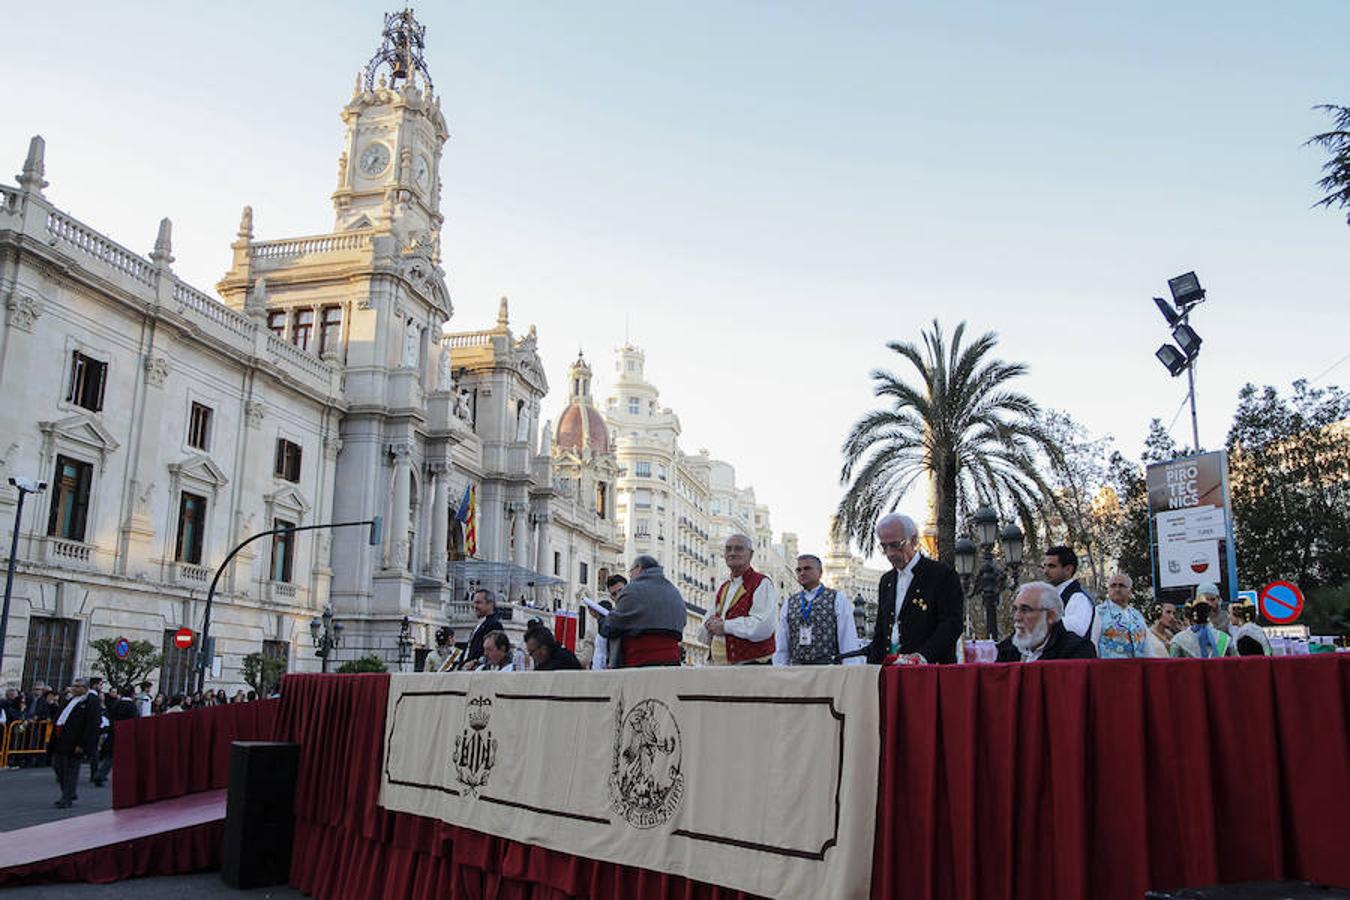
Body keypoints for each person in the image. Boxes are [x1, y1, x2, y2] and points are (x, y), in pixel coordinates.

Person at [865, 514, 964, 665]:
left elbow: (951, 624)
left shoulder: (942, 575)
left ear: (914, 540)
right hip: (891, 670)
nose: (890, 553)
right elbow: (881, 629)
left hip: (930, 670)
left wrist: (922, 657)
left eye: (896, 545)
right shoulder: (886, 581)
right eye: (884, 546)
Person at [773, 554, 864, 666]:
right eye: (798, 570)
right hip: (797, 672)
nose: (802, 573)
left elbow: (847, 640)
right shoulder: (789, 603)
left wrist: (849, 671)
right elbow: (782, 644)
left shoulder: (837, 599)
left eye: (807, 568)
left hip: (828, 672)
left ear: (820, 572)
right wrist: (780, 669)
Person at [703, 534, 778, 665]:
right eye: (728, 549)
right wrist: (709, 625)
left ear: (751, 554)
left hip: (750, 666)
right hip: (720, 666)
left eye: (738, 549)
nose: (732, 553)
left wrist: (726, 626)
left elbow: (763, 625)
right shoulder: (724, 587)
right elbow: (707, 622)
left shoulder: (761, 583)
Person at [600, 555, 687, 667]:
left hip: (640, 661)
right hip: (672, 661)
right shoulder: (675, 592)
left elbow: (611, 627)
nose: (630, 576)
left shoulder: (632, 590)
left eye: (630, 571)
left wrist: (602, 621)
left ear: (639, 568)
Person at [996, 582, 1098, 662]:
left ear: (1050, 616)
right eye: (1015, 609)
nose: (1017, 617)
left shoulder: (1077, 650)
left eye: (1025, 610)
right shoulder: (1008, 648)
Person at [49, 679, 102, 808]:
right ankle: (69, 792)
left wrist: (83, 744)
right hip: (61, 738)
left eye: (78, 686)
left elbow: (92, 724)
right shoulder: (69, 700)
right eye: (74, 686)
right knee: (58, 767)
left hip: (75, 741)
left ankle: (66, 797)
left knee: (70, 770)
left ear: (85, 688)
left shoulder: (90, 702)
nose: (74, 688)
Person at [1090, 572, 1151, 659]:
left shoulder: (1136, 615)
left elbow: (1147, 645)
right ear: (1108, 590)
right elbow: (1093, 643)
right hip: (1109, 667)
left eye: (1121, 586)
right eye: (1113, 586)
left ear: (1130, 591)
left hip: (1137, 667)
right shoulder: (1098, 612)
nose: (1117, 589)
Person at [1041, 546, 1095, 638]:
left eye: (1051, 566)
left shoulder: (1078, 598)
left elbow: (1078, 629)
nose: (1045, 571)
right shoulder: (1051, 595)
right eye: (1044, 566)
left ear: (1068, 569)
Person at [1169, 595, 1235, 658]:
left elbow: (1172, 666)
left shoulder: (1178, 640)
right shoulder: (1224, 638)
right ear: (1208, 613)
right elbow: (1237, 663)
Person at [459, 589, 504, 671]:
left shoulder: (495, 624)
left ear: (490, 604)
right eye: (474, 603)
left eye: (478, 603)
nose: (475, 606)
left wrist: (475, 662)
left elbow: (492, 652)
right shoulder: (479, 624)